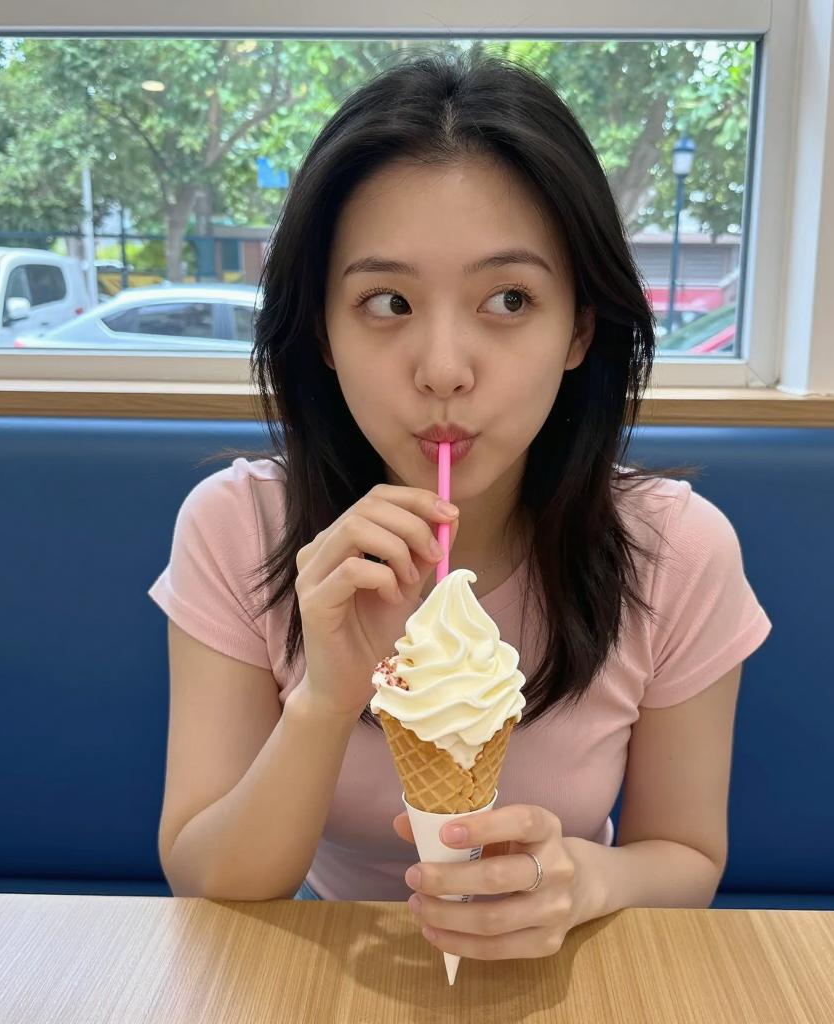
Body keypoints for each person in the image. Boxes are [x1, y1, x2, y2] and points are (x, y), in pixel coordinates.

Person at [148, 48, 771, 963]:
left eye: (509, 299)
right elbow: (203, 878)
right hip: (317, 975)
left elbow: (686, 856)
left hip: (566, 969)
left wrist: (586, 882)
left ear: (579, 328)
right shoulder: (238, 527)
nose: (443, 369)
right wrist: (323, 699)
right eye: (387, 301)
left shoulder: (676, 548)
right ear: (323, 331)